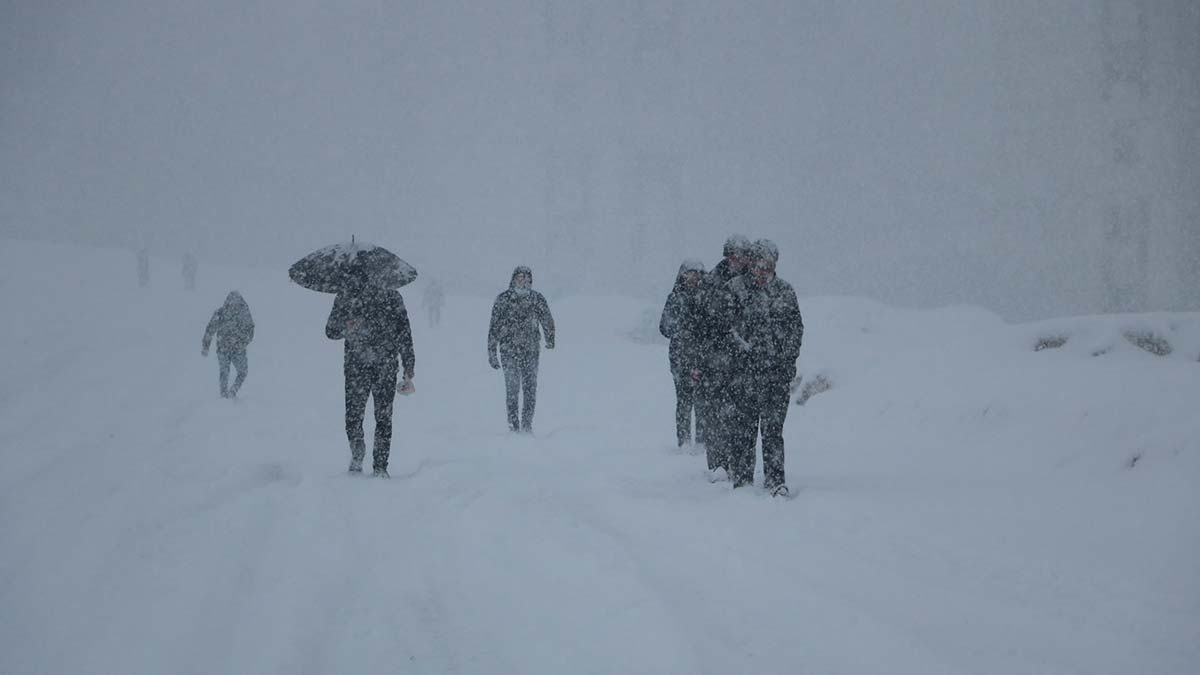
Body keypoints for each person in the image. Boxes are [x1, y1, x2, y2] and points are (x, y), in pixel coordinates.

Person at [722, 239, 803, 496]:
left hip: (776, 376)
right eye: (759, 263)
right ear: (751, 263)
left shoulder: (785, 292)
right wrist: (742, 354)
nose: (763, 269)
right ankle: (743, 482)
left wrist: (786, 360)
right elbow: (725, 329)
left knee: (773, 432)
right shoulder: (734, 289)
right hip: (742, 377)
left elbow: (795, 330)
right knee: (744, 430)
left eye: (769, 264)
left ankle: (775, 481)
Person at [326, 267, 415, 477]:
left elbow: (404, 331)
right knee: (353, 416)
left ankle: (380, 466)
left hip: (385, 364)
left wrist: (408, 363)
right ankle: (358, 453)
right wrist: (347, 327)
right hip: (356, 365)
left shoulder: (392, 297)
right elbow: (330, 330)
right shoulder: (346, 296)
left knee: (383, 417)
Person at [697, 234, 752, 479]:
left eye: (742, 255)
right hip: (714, 358)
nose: (738, 259)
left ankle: (738, 463)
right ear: (727, 255)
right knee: (715, 414)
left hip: (743, 360)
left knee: (741, 415)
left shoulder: (751, 282)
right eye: (734, 254)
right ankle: (717, 464)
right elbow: (702, 322)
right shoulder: (711, 282)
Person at [487, 266, 555, 433]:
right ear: (513, 279)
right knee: (512, 389)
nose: (523, 280)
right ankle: (513, 424)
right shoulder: (503, 299)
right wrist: (492, 353)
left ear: (530, 280)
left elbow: (547, 319)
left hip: (531, 350)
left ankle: (526, 424)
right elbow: (494, 327)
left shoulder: (536, 299)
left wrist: (550, 338)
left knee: (530, 388)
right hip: (508, 350)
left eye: (526, 278)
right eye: (520, 277)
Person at [659, 259, 707, 447]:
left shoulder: (707, 297)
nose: (693, 278)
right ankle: (684, 440)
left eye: (696, 274)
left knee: (702, 401)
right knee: (684, 401)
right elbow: (664, 327)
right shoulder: (674, 298)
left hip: (703, 358)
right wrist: (680, 327)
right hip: (680, 358)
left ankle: (702, 441)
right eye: (689, 273)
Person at [202, 291, 255, 398]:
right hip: (237, 350)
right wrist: (241, 342)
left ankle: (225, 394)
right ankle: (232, 392)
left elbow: (210, 330)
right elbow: (250, 332)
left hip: (223, 348)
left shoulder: (220, 313)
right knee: (242, 372)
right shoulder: (244, 314)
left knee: (224, 372)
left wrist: (205, 346)